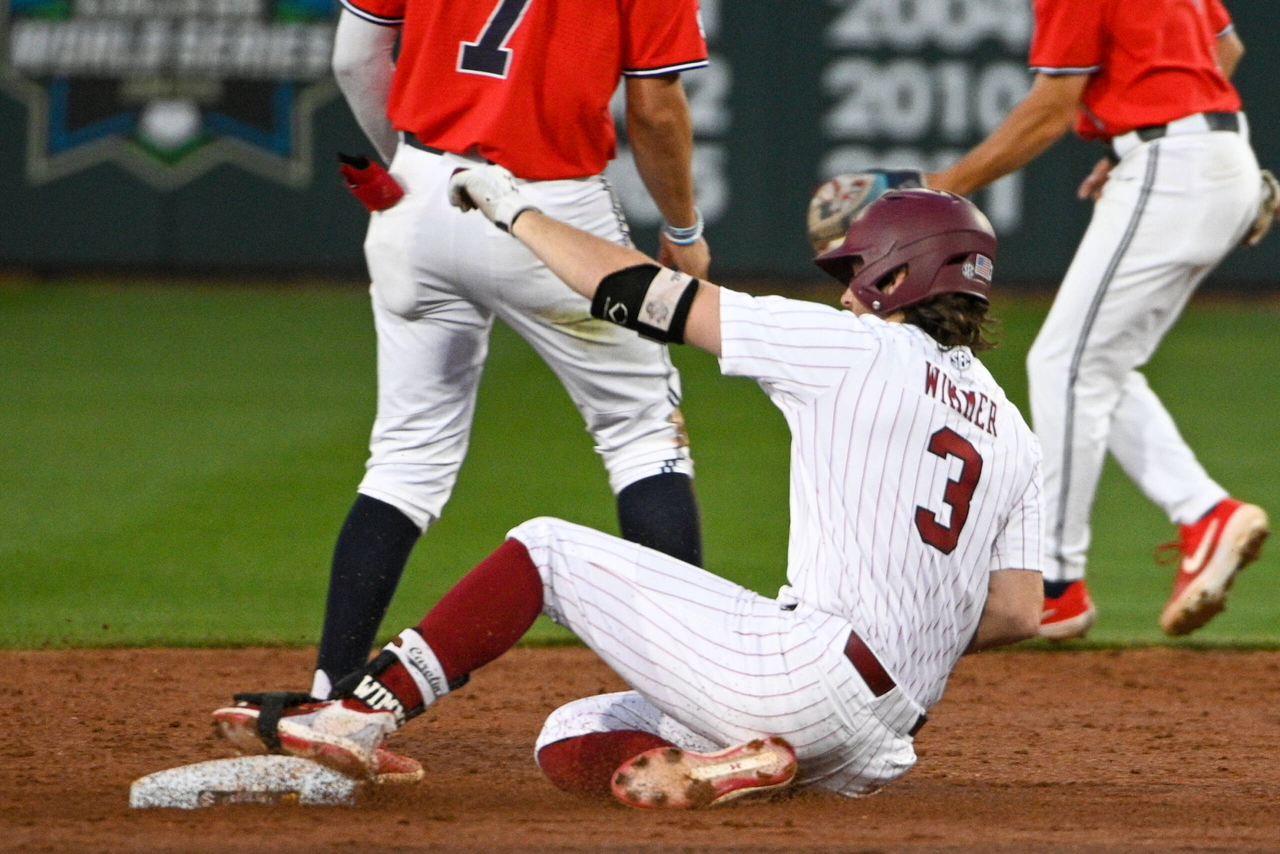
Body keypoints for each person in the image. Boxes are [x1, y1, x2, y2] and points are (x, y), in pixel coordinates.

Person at [213, 179, 1045, 808]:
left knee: (543, 548)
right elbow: (1016, 614)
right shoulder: (1014, 433)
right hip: (879, 743)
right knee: (568, 736)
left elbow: (643, 295)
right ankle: (726, 769)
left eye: (858, 268)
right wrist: (899, 633)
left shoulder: (852, 345)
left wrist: (515, 213)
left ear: (898, 274)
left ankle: (355, 714)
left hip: (803, 670)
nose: (845, 286)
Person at [307, 0, 712, 737]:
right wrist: (683, 229)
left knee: (404, 460)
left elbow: (351, 57)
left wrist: (409, 173)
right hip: (552, 207)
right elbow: (654, 108)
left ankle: (329, 695)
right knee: (642, 436)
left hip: (418, 192)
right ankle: (692, 702)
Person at [924, 0, 1269, 639]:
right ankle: (1205, 513)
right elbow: (1227, 52)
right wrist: (1145, 130)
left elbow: (1050, 110)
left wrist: (942, 187)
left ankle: (1056, 582)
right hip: (1218, 157)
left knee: (1065, 363)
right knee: (1099, 365)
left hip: (1173, 169)